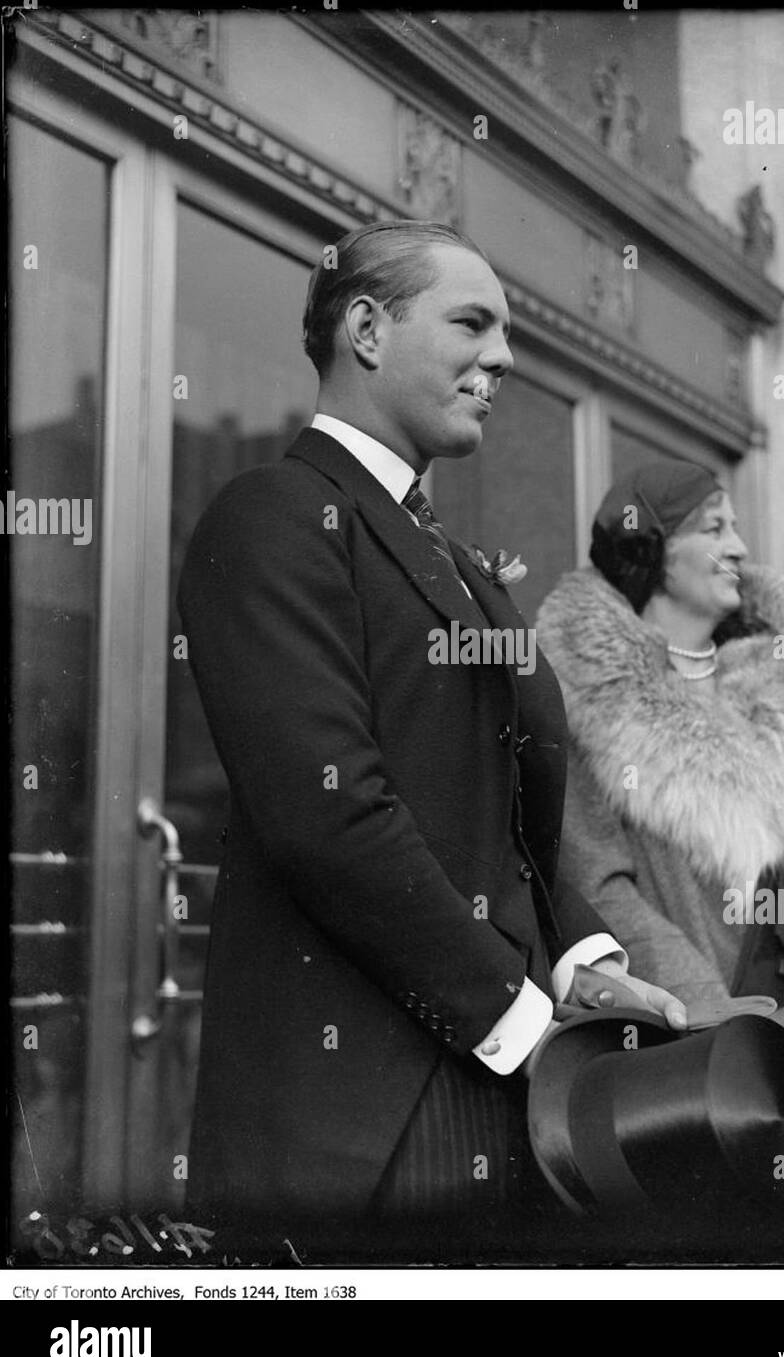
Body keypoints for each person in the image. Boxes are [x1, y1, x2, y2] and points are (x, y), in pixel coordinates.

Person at [176, 220, 685, 1238]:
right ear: (366, 329)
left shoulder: (457, 560)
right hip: (363, 1126)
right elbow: (333, 821)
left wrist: (582, 956)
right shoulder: (272, 516)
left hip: (504, 1088)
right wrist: (531, 1020)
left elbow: (502, 830)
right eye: (472, 322)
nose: (503, 357)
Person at [535, 459, 784, 1218]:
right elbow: (595, 884)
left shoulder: (778, 688)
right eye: (713, 528)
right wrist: (718, 1017)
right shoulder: (589, 702)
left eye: (736, 527)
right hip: (684, 1067)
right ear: (650, 550)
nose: (738, 547)